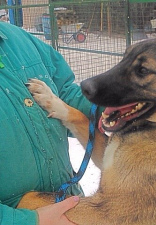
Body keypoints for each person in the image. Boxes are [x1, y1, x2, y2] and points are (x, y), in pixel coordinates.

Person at [0, 22, 103, 224]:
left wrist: (113, 108)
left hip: (72, 206)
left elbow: (65, 93)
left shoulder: (21, 41)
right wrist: (26, 220)